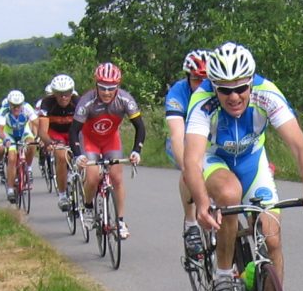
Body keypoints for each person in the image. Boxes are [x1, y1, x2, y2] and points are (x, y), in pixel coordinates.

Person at [182, 42, 303, 291]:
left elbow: (301, 147)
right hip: (216, 162)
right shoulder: (202, 101)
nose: (234, 97)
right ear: (214, 87)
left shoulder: (267, 94)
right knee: (230, 195)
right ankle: (222, 275)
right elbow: (191, 161)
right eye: (225, 90)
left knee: (272, 239)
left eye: (241, 88)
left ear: (251, 81)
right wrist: (203, 202)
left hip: (252, 162)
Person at [68, 62, 147, 239]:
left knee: (117, 178)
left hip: (110, 140)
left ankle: (120, 221)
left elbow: (140, 128)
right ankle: (88, 207)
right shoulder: (87, 101)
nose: (106, 92)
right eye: (102, 88)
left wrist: (136, 151)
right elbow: (73, 131)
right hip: (89, 141)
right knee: (92, 176)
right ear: (96, 85)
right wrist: (78, 155)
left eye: (111, 88)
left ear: (117, 86)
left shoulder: (125, 99)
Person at [164, 50, 210, 256]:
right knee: (190, 169)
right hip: (183, 140)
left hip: (209, 140)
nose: (201, 85)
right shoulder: (178, 92)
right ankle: (191, 224)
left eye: (206, 79)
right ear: (187, 78)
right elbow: (176, 134)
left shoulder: (219, 91)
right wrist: (188, 168)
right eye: (196, 79)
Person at [35, 74, 79, 210]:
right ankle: (62, 195)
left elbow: (86, 126)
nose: (63, 97)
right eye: (59, 94)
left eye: (67, 93)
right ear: (54, 93)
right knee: (61, 155)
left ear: (72, 92)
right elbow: (42, 131)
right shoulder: (47, 103)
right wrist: (50, 143)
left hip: (73, 132)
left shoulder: (78, 101)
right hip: (56, 133)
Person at [0, 90, 39, 203]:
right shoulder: (3, 111)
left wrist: (40, 136)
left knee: (32, 143)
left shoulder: (27, 108)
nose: (16, 108)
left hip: (24, 132)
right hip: (9, 134)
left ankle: (28, 168)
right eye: (13, 106)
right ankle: (10, 188)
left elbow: (37, 123)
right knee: (12, 158)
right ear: (9, 104)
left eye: (18, 105)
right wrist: (5, 140)